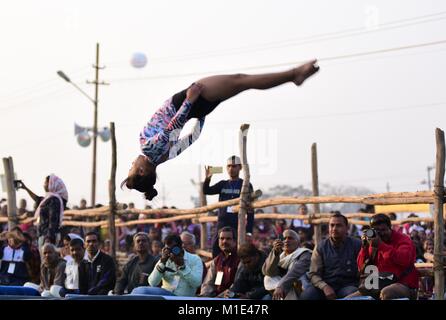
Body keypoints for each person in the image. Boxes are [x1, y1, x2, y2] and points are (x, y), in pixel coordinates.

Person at [122, 61, 319, 201]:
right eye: (131, 167)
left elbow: (193, 137)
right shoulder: (149, 149)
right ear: (141, 171)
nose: (131, 163)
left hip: (197, 107)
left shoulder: (163, 157)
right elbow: (171, 127)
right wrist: (190, 100)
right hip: (189, 101)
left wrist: (201, 113)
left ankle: (294, 75)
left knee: (242, 82)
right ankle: (294, 75)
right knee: (241, 80)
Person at [348, 214, 419, 300]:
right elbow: (361, 267)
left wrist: (381, 245)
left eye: (383, 230)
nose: (381, 234)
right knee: (350, 298)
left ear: (390, 228)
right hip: (376, 285)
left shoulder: (403, 240)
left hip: (403, 284)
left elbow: (404, 260)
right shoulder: (372, 242)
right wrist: (364, 247)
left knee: (386, 293)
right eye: (377, 231)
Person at [301, 213, 361, 300]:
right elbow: (313, 274)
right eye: (332, 225)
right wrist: (324, 286)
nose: (334, 229)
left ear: (347, 228)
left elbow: (365, 268)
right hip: (325, 286)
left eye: (338, 225)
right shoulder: (320, 247)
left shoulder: (357, 244)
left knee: (353, 295)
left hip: (348, 286)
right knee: (307, 296)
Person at [203, 155, 254, 257]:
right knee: (216, 250)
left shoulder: (246, 184)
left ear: (240, 167)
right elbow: (206, 191)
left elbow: (251, 210)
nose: (231, 169)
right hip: (222, 223)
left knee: (236, 252)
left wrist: (249, 231)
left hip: (237, 223)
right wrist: (208, 178)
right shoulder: (223, 184)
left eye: (234, 166)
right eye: (229, 166)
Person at [132, 234, 202, 297]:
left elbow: (197, 283)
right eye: (168, 249)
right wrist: (162, 263)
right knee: (137, 291)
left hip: (182, 297)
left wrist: (183, 267)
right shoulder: (165, 259)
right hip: (165, 296)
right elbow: (152, 283)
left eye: (174, 249)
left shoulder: (194, 259)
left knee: (142, 291)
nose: (171, 252)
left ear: (181, 247)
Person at [18, 175, 68, 246]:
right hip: (43, 234)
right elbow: (37, 199)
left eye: (45, 182)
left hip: (47, 237)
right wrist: (25, 188)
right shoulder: (48, 198)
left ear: (51, 184)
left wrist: (49, 238)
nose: (43, 185)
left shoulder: (54, 200)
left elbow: (53, 220)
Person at [262, 229, 312, 300]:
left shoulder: (305, 254)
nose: (286, 241)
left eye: (290, 238)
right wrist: (275, 252)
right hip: (281, 292)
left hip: (301, 292)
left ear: (298, 243)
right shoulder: (280, 256)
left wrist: (281, 286)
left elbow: (295, 272)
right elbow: (268, 272)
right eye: (284, 238)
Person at [200, 227, 240, 297]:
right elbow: (208, 283)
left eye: (228, 239)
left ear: (234, 242)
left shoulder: (240, 260)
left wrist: (220, 296)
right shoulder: (216, 261)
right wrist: (204, 296)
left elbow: (237, 284)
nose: (224, 241)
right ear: (218, 241)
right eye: (222, 238)